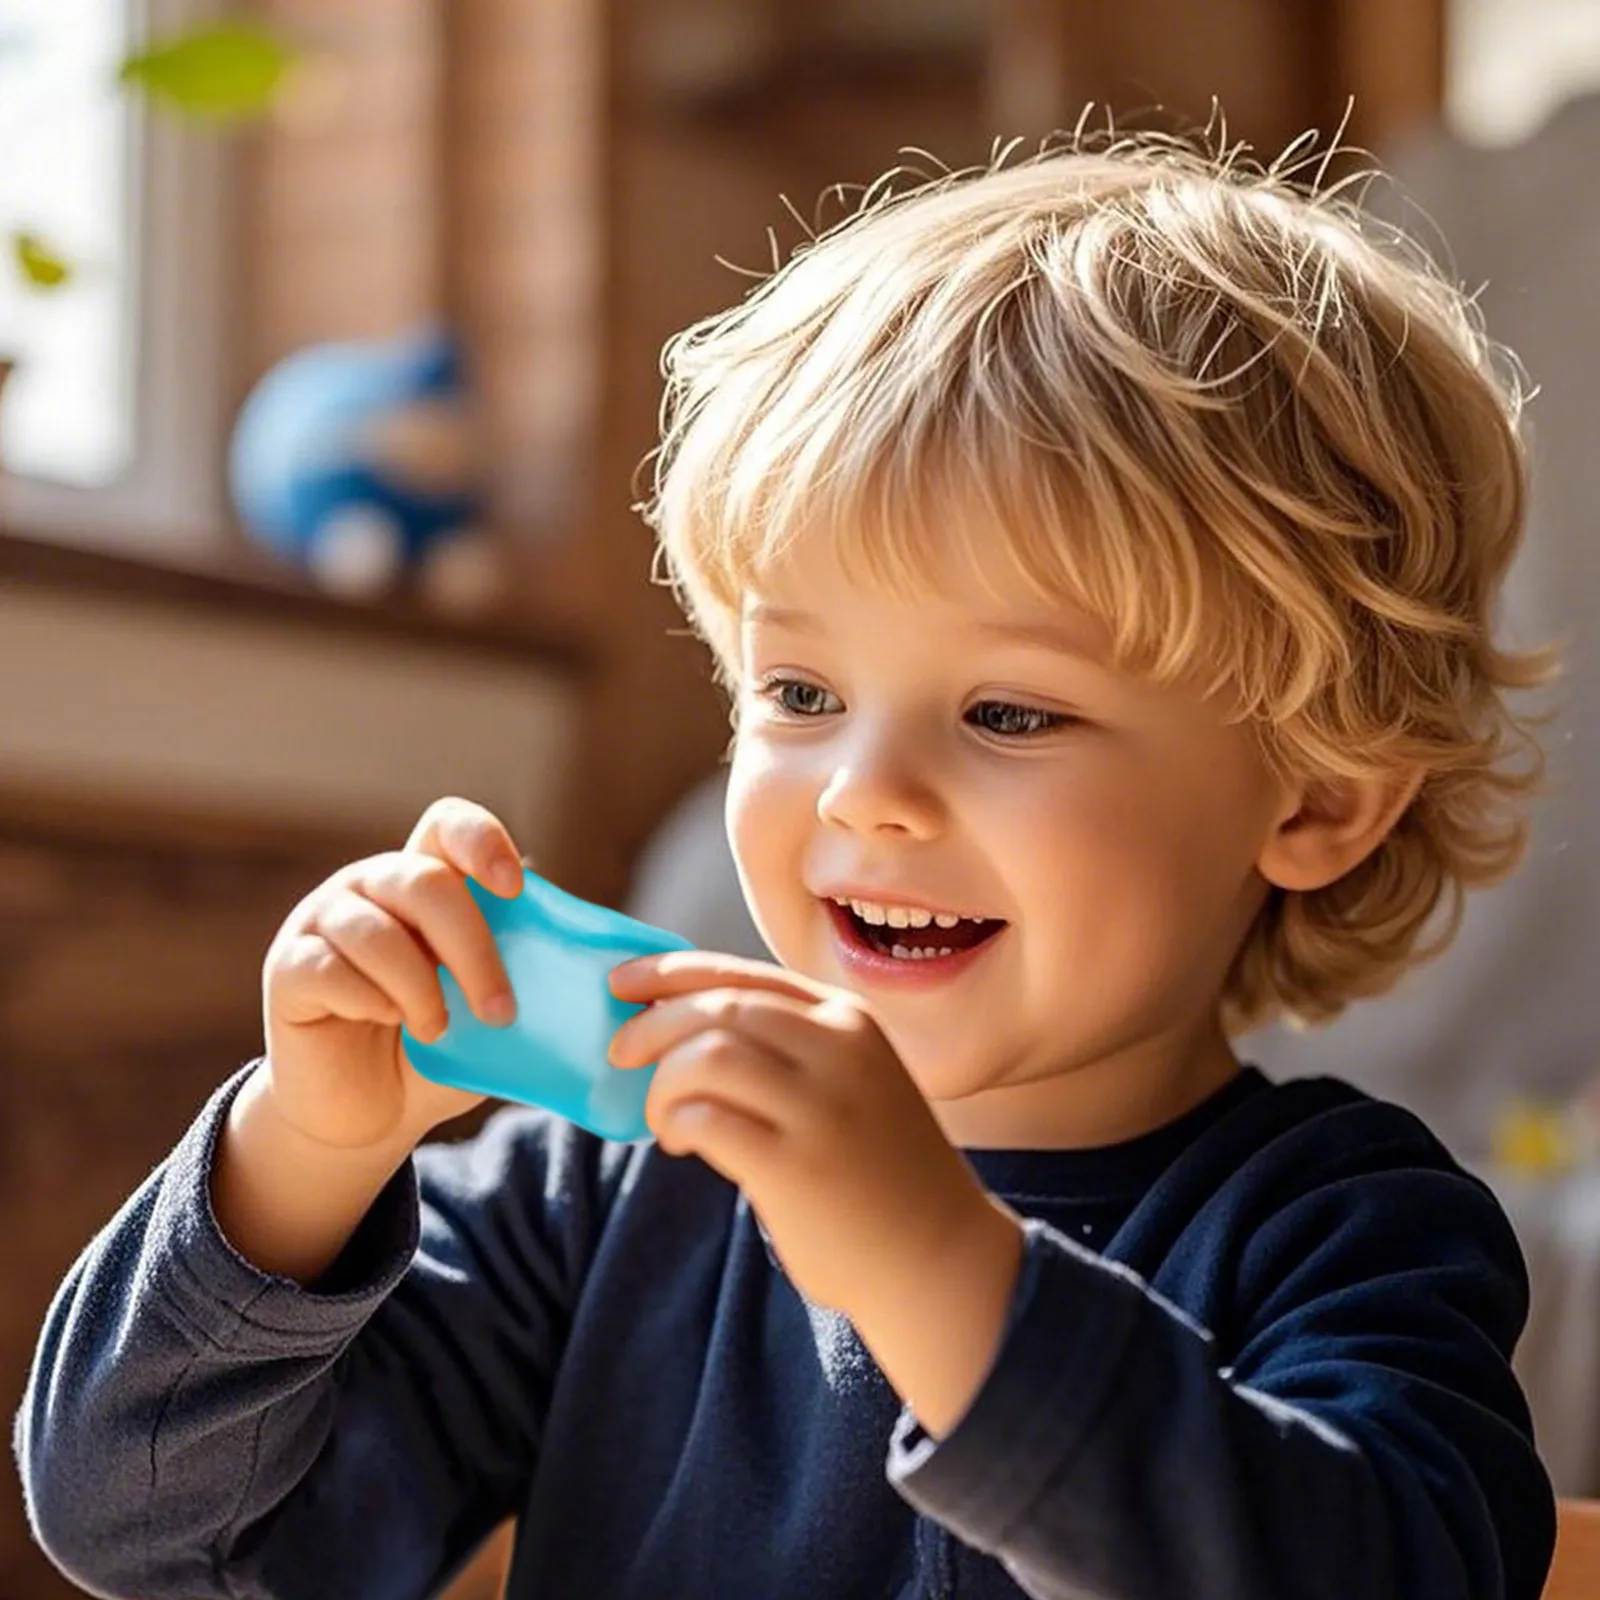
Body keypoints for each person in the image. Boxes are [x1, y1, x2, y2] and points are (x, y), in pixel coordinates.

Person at [14, 132, 1558, 1599]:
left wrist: (937, 1269)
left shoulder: (1348, 1231)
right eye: (800, 696)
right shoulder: (605, 1191)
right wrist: (303, 1154)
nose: (867, 794)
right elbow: (151, 1529)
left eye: (1009, 711)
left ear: (1317, 803)